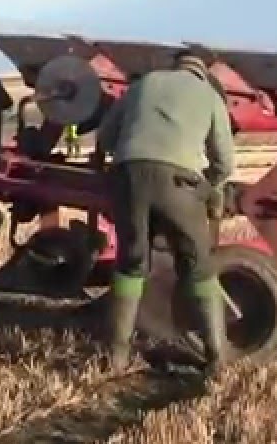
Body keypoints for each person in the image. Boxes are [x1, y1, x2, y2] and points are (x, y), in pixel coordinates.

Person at [93, 48, 237, 375]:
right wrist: (205, 186)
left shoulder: (143, 84)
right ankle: (216, 357)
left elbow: (105, 136)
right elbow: (225, 163)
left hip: (128, 177)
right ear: (204, 70)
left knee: (131, 263)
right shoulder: (209, 95)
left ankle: (116, 357)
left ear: (175, 64)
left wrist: (137, 156)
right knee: (198, 267)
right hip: (179, 183)